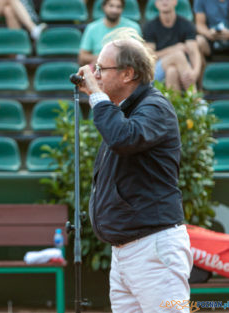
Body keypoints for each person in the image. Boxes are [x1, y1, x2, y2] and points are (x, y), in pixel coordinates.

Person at [76, 28, 192, 312]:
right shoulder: (123, 110)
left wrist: (97, 96)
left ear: (128, 74)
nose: (96, 75)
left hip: (155, 249)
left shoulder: (156, 107)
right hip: (125, 252)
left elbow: (123, 138)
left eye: (102, 68)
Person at [143, 0, 202, 91]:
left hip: (181, 69)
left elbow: (194, 52)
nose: (164, 1)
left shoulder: (186, 24)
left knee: (172, 71)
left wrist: (195, 72)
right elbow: (150, 57)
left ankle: (175, 104)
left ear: (175, 2)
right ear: (156, 4)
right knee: (178, 55)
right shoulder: (149, 26)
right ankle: (196, 100)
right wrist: (173, 49)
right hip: (155, 72)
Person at [78, 0, 141, 66]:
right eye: (111, 6)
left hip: (124, 67)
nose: (114, 10)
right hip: (99, 68)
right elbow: (82, 56)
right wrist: (103, 59)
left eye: (118, 7)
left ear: (122, 9)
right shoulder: (92, 28)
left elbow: (139, 55)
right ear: (104, 7)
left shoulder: (133, 27)